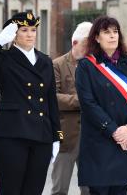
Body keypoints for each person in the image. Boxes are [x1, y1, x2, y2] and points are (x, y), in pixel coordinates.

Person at [0, 12, 62, 195]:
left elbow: (51, 100)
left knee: (34, 189)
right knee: (10, 189)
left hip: (41, 133)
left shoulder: (45, 60)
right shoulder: (3, 58)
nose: (30, 34)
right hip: (12, 133)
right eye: (24, 30)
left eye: (33, 30)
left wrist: (56, 135)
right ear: (14, 34)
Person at [75, 16, 127, 194]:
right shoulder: (86, 66)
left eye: (115, 32)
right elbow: (88, 103)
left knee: (120, 191)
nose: (112, 36)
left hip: (126, 139)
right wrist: (114, 131)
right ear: (96, 37)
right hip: (99, 141)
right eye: (106, 32)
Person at [51, 21, 92, 195]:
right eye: (86, 45)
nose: (90, 49)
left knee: (90, 188)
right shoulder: (57, 64)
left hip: (91, 135)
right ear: (75, 43)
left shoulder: (93, 65)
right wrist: (83, 101)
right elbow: (53, 97)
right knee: (60, 188)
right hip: (65, 134)